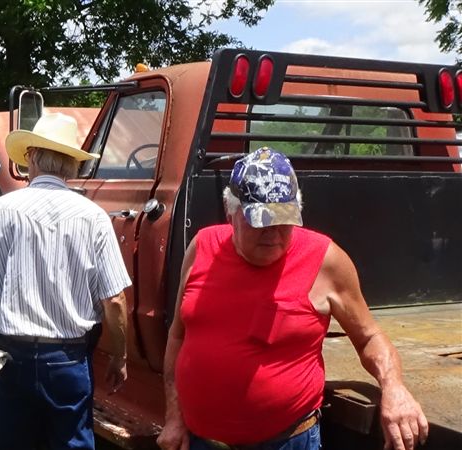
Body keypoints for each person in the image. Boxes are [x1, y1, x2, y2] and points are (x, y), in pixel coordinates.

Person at [157, 148, 429, 450]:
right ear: (230, 212)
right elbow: (178, 336)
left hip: (286, 442)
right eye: (261, 221)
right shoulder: (202, 246)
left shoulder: (325, 260)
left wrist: (394, 387)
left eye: (284, 220)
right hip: (202, 441)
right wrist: (174, 417)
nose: (273, 234)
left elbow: (369, 337)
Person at [0, 112, 132, 450]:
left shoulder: (0, 210)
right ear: (72, 165)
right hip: (67, 358)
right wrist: (119, 356)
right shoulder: (94, 217)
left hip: (8, 355)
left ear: (33, 157)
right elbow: (114, 300)